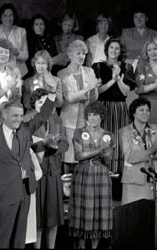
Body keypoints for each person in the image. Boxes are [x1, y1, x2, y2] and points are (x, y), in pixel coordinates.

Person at [0, 89, 57, 248]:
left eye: (21, 115)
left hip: (25, 192)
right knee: (1, 240)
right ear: (4, 115)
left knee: (19, 241)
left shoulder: (24, 132)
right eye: (15, 115)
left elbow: (42, 115)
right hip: (3, 195)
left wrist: (53, 94)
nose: (19, 119)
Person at [24, 89, 67, 249]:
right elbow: (24, 146)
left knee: (53, 219)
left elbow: (65, 144)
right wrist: (44, 144)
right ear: (34, 104)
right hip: (37, 173)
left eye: (46, 102)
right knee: (39, 219)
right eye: (40, 102)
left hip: (53, 171)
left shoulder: (57, 120)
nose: (43, 106)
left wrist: (54, 146)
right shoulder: (28, 122)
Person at [68, 101, 114, 249]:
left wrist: (106, 154)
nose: (93, 118)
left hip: (101, 175)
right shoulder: (79, 132)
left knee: (99, 214)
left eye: (96, 115)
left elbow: (108, 160)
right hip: (83, 174)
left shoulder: (109, 135)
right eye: (90, 115)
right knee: (83, 214)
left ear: (102, 116)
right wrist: (99, 150)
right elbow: (79, 155)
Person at [92, 38, 136, 172]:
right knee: (103, 140)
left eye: (117, 48)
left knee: (118, 140)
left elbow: (126, 91)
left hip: (119, 108)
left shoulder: (127, 67)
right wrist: (112, 80)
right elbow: (97, 91)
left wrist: (118, 79)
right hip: (102, 107)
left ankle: (118, 173)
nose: (114, 51)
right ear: (107, 49)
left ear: (121, 51)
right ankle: (102, 171)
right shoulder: (98, 67)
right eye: (111, 47)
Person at [58, 40, 100, 174]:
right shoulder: (62, 73)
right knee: (68, 157)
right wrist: (88, 89)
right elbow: (70, 98)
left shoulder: (89, 71)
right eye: (78, 53)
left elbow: (94, 97)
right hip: (68, 120)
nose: (82, 56)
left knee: (84, 155)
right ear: (70, 55)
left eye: (83, 53)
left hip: (86, 120)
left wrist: (92, 91)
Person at [120, 97, 157, 205]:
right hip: (132, 181)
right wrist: (151, 151)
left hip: (151, 178)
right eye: (141, 110)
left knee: (149, 216)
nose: (145, 113)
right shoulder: (124, 131)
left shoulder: (155, 129)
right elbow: (129, 156)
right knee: (131, 216)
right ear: (133, 113)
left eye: (147, 110)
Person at [0, 3, 29, 77]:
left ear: (14, 16)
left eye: (11, 15)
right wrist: (2, 56)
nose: (8, 19)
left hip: (18, 73)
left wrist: (16, 52)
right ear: (0, 17)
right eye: (5, 15)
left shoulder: (21, 31)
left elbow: (25, 55)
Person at [135, 40, 157, 124]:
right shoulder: (142, 66)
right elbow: (138, 89)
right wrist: (155, 85)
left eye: (155, 48)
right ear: (146, 53)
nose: (153, 52)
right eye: (149, 50)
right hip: (146, 107)